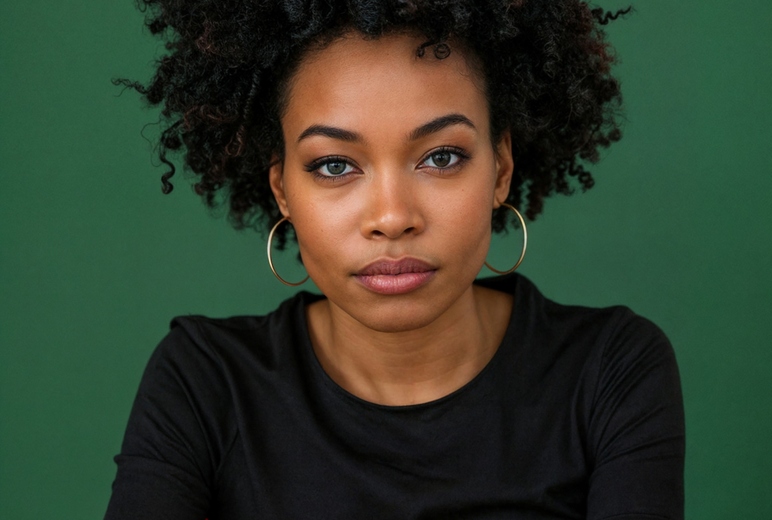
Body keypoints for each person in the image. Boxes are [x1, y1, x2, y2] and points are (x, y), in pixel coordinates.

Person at [105, 1, 685, 519]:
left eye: (441, 157)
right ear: (282, 190)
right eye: (335, 165)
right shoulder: (205, 382)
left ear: (501, 168)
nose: (392, 216)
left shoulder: (609, 372)